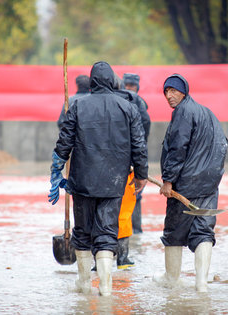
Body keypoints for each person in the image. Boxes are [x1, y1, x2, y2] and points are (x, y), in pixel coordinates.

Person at [48, 61, 148, 296]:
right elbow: (139, 146)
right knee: (107, 232)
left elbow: (64, 142)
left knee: (82, 233)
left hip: (82, 181)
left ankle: (84, 282)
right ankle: (105, 286)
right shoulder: (128, 107)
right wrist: (141, 175)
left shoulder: (77, 106)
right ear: (113, 81)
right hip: (114, 182)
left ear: (92, 81)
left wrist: (55, 169)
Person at [154, 74, 227, 293]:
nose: (169, 95)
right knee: (204, 231)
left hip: (184, 185)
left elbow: (177, 149)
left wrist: (168, 180)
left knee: (174, 232)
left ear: (184, 91)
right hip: (208, 185)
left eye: (174, 91)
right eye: (166, 91)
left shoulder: (183, 112)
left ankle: (172, 278)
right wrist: (213, 177)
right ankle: (201, 283)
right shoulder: (208, 113)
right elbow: (223, 144)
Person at [123, 73, 150, 234]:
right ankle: (135, 231)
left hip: (128, 155)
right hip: (134, 154)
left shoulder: (130, 101)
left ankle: (133, 231)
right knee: (134, 193)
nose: (129, 89)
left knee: (132, 193)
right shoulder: (139, 102)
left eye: (131, 86)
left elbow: (145, 124)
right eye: (128, 85)